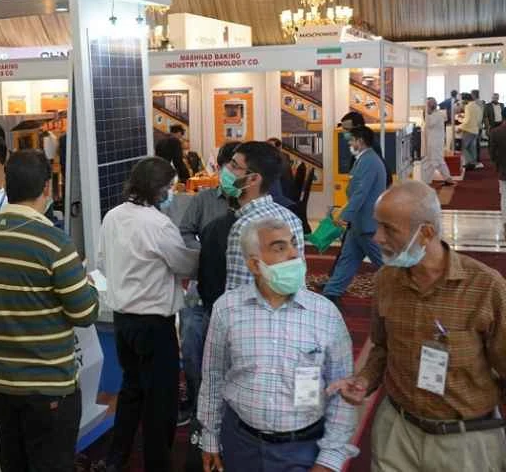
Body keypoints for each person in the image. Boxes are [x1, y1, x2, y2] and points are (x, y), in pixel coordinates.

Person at [330, 180, 506, 471]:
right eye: (377, 225)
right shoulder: (386, 280)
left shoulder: (485, 288)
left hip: (465, 442)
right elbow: (382, 347)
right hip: (398, 431)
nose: (377, 237)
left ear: (426, 233)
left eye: (388, 229)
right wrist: (364, 380)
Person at [0, 150, 98, 472]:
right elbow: (85, 314)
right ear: (47, 188)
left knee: (13, 460)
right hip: (49, 384)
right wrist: (88, 284)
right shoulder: (55, 243)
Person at [199, 218, 358, 472]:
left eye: (294, 244)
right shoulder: (227, 309)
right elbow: (213, 377)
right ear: (255, 265)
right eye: (280, 247)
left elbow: (343, 392)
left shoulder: (325, 314)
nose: (294, 254)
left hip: (303, 449)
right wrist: (210, 438)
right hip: (240, 443)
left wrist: (329, 459)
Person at [97, 157, 199, 472]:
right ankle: (157, 464)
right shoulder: (158, 224)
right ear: (158, 189)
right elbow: (183, 264)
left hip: (122, 321)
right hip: (154, 324)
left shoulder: (113, 216)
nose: (172, 193)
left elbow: (101, 261)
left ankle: (116, 458)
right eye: (170, 187)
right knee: (160, 401)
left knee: (131, 390)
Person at [177, 142, 241, 421]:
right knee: (192, 344)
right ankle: (195, 400)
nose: (232, 174)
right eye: (229, 167)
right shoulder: (203, 200)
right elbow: (184, 231)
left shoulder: (252, 206)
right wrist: (204, 251)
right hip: (201, 286)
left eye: (238, 169)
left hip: (236, 288)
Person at [224, 141, 305, 292]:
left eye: (234, 166)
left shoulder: (244, 226)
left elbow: (238, 291)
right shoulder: (291, 217)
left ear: (253, 179)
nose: (226, 169)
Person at [322, 126, 386, 305]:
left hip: (366, 223)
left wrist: (346, 215)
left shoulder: (369, 161)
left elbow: (360, 193)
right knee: (348, 259)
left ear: (360, 141)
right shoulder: (365, 159)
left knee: (384, 263)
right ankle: (331, 293)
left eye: (351, 140)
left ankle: (405, 291)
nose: (349, 143)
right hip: (359, 223)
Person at [422, 98, 455, 186]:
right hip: (435, 142)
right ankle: (447, 178)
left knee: (434, 162)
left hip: (435, 143)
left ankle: (426, 181)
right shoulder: (437, 114)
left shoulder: (436, 115)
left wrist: (426, 113)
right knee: (437, 161)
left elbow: (429, 124)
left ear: (430, 107)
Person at [457, 90, 484, 169]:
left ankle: (469, 163)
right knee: (472, 148)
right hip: (475, 129)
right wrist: (463, 118)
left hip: (468, 130)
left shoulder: (468, 106)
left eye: (462, 100)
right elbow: (478, 119)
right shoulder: (476, 106)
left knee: (463, 147)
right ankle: (474, 163)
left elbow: (468, 120)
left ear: (465, 99)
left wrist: (460, 127)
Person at [489, 120, 506, 234]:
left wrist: (498, 164)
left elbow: (492, 154)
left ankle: (505, 222)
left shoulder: (495, 132)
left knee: (504, 197)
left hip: (503, 169)